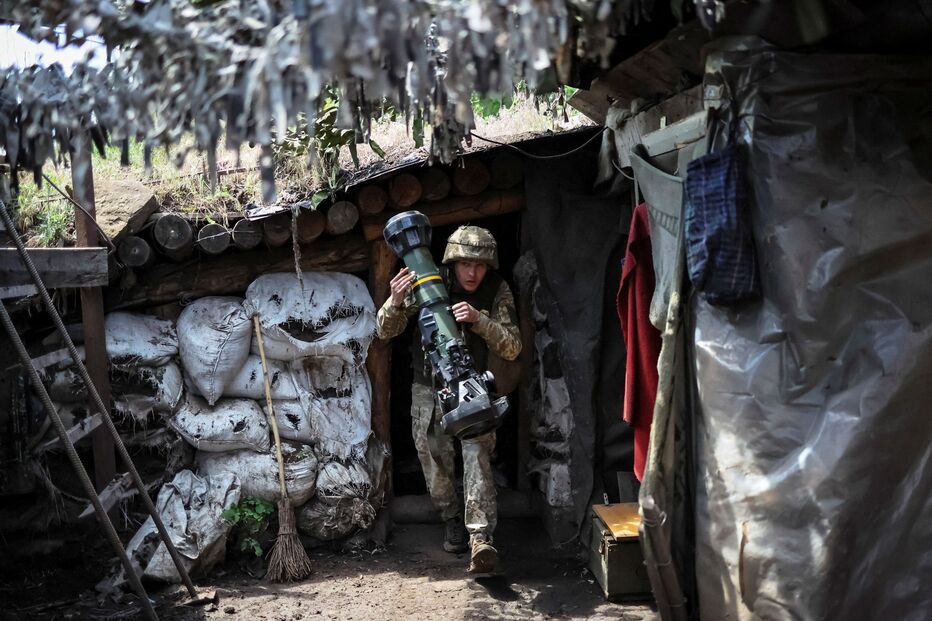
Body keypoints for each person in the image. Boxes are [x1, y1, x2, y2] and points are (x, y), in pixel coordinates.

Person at [376, 225, 521, 574]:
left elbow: (513, 347)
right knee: (434, 458)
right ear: (452, 261)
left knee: (477, 456)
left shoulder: (496, 290)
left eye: (480, 265)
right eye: (466, 264)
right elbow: (383, 331)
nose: (472, 273)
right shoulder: (429, 279)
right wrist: (395, 303)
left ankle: (480, 537)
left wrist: (479, 321)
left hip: (473, 385)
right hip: (429, 385)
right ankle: (452, 518)